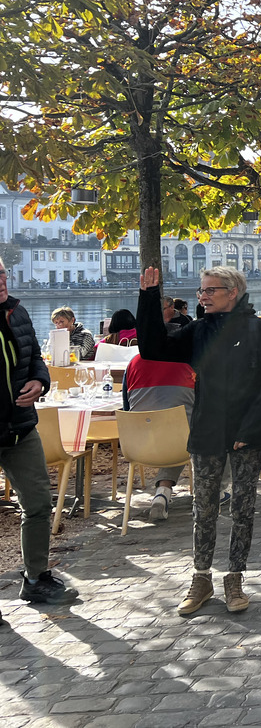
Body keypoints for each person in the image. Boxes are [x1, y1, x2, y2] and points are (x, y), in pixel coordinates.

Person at [136, 266, 261, 616]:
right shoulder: (199, 330)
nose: (201, 296)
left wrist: (249, 430)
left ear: (232, 292)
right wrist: (148, 299)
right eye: (201, 291)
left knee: (242, 509)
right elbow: (152, 348)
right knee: (202, 508)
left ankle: (234, 578)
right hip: (207, 430)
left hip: (247, 434)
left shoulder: (259, 329)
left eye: (209, 291)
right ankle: (201, 577)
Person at [0, 259, 78, 618]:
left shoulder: (17, 311)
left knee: (38, 504)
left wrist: (40, 382)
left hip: (20, 426)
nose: (1, 281)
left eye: (2, 274)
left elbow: (35, 360)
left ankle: (35, 578)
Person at [122, 340, 196, 521]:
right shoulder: (190, 363)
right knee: (212, 426)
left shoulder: (133, 363)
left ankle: (163, 492)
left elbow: (126, 406)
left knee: (173, 428)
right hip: (180, 444)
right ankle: (220, 490)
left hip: (138, 445)